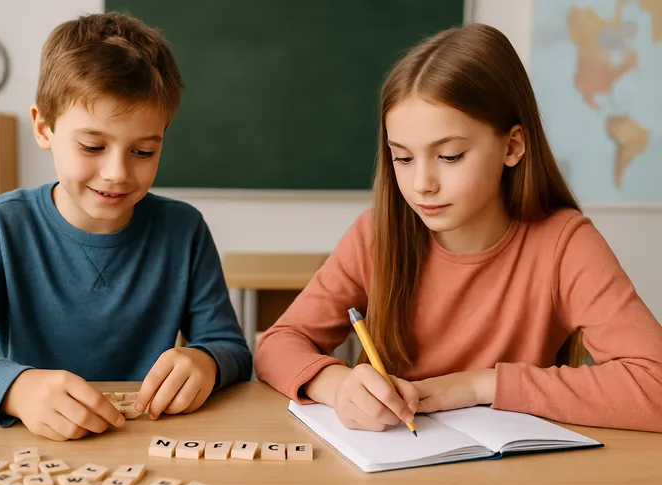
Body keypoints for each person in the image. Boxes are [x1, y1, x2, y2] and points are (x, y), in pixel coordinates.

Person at [255, 23, 662, 433]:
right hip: (393, 471)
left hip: (516, 481)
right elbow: (276, 345)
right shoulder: (377, 234)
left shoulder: (564, 244)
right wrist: (338, 384)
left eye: (449, 156)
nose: (422, 185)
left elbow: (655, 384)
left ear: (512, 146)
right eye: (403, 158)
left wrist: (479, 385)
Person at [0, 12, 252, 441]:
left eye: (142, 151)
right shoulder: (1, 226)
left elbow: (232, 348)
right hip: (35, 453)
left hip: (147, 447)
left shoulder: (184, 229)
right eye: (92, 146)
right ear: (44, 127)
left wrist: (206, 361)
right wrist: (15, 389)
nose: (117, 172)